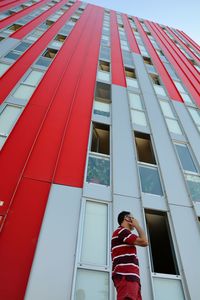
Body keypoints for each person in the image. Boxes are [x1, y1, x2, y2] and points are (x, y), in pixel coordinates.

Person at [111, 211, 148, 300]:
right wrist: (137, 225)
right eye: (132, 217)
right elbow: (144, 241)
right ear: (127, 218)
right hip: (126, 275)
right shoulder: (121, 231)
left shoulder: (124, 233)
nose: (134, 220)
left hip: (130, 277)